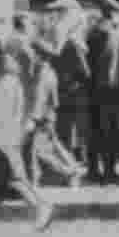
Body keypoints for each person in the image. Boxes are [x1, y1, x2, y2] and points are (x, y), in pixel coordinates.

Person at [0, 40, 55, 231]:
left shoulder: (1, 84)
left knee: (15, 179)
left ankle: (42, 208)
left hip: (1, 139)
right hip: (0, 137)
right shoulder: (8, 82)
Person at [25, 30, 84, 189]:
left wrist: (32, 118)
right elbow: (53, 99)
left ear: (39, 55)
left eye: (34, 52)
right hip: (49, 115)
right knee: (54, 146)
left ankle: (68, 172)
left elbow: (39, 98)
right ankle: (72, 169)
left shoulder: (42, 74)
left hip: (42, 117)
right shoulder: (48, 71)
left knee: (39, 151)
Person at [86, 0, 119, 184]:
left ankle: (94, 169)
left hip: (95, 87)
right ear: (112, 13)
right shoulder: (110, 33)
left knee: (95, 129)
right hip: (110, 89)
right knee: (110, 130)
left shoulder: (94, 31)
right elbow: (113, 62)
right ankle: (108, 172)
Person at [47, 0, 92, 169]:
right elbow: (84, 70)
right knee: (75, 124)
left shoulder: (60, 32)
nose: (56, 14)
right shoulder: (73, 40)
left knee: (65, 125)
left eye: (59, 11)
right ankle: (74, 158)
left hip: (63, 86)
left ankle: (68, 158)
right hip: (74, 87)